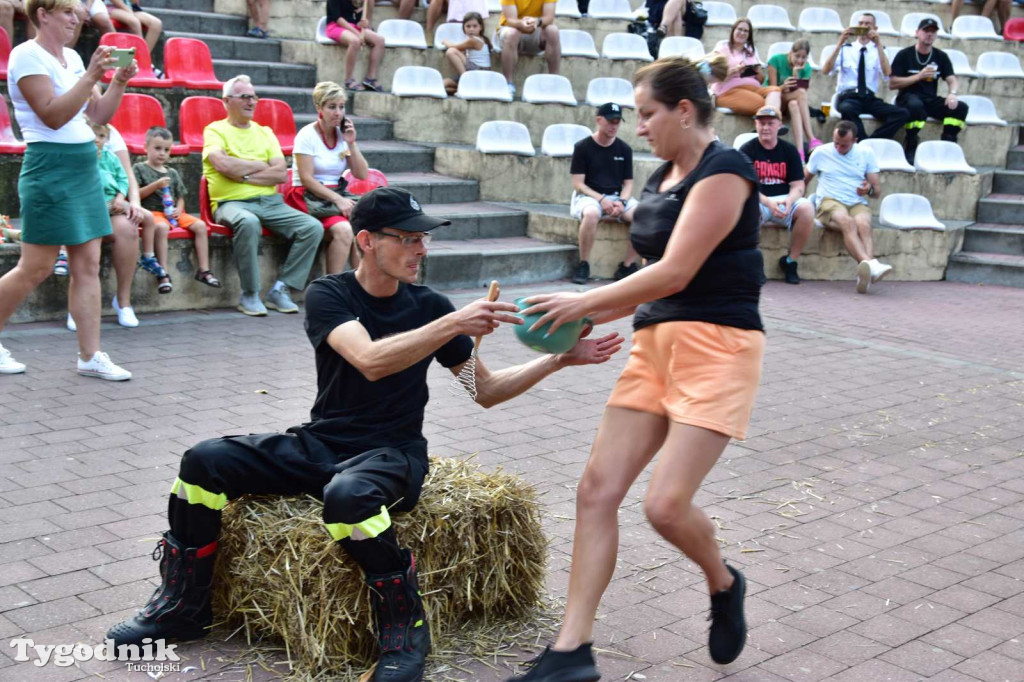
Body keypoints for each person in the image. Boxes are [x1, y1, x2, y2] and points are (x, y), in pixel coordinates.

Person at [105, 186, 624, 682]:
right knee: (203, 462)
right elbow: (371, 360)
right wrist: (452, 325)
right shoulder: (330, 294)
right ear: (367, 240)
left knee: (348, 498)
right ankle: (183, 607)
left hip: (393, 452)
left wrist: (558, 360)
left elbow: (483, 390)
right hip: (320, 444)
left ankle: (405, 631)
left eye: (424, 238)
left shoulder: (430, 306)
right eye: (407, 237)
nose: (420, 248)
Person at [506, 56, 764, 681]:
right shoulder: (659, 180)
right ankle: (572, 651)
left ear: (683, 110)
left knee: (666, 507)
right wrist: (574, 319)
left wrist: (581, 299)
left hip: (718, 346)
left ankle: (725, 582)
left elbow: (677, 270)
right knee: (596, 492)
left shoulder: (726, 170)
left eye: (648, 113)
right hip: (654, 345)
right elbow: (643, 286)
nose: (639, 126)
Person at [0, 0, 134, 380]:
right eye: (68, 12)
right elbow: (53, 116)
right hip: (49, 165)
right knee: (36, 267)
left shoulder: (73, 58)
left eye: (78, 12)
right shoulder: (26, 55)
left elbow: (97, 117)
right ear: (43, 14)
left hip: (82, 166)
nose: (77, 18)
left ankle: (90, 356)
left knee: (87, 265)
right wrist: (92, 76)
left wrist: (118, 83)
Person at [203, 75, 324, 316]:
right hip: (230, 203)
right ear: (227, 101)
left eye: (254, 97)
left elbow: (280, 173)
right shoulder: (215, 130)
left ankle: (281, 289)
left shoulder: (265, 132)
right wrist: (260, 164)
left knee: (313, 227)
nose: (251, 102)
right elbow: (221, 164)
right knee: (248, 222)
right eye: (245, 97)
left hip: (270, 202)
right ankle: (249, 294)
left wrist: (244, 174)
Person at [285, 81, 368, 274]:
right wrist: (338, 200)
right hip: (307, 196)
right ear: (319, 108)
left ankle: (363, 287)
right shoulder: (306, 135)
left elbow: (361, 174)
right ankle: (333, 287)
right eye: (331, 107)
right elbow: (306, 179)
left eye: (341, 107)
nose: (338, 113)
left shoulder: (342, 135)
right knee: (345, 230)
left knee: (364, 226)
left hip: (334, 194)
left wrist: (352, 144)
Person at [805, 121, 891, 294]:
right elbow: (804, 179)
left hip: (856, 201)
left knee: (864, 225)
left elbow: (877, 191)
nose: (838, 148)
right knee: (847, 222)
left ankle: (864, 273)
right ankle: (871, 265)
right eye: (836, 143)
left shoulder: (866, 153)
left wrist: (869, 189)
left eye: (844, 145)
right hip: (829, 201)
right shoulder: (821, 152)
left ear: (855, 141)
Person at [134, 126, 220, 288]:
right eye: (157, 148)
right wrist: (155, 185)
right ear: (146, 148)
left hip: (172, 213)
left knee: (201, 226)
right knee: (161, 228)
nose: (162, 153)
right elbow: (135, 195)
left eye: (166, 150)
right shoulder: (139, 168)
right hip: (152, 213)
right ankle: (163, 273)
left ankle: (204, 270)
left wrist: (179, 209)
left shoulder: (172, 172)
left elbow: (180, 197)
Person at [740, 106, 814, 285]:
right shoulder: (747, 150)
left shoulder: (789, 150)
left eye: (770, 123)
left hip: (784, 200)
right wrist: (767, 202)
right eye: (761, 123)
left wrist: (789, 201)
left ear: (779, 125)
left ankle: (790, 261)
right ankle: (755, 264)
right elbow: (745, 186)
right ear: (756, 125)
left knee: (807, 208)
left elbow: (798, 185)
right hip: (758, 199)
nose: (765, 128)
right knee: (749, 209)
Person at [569, 102, 640, 285]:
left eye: (617, 121)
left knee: (643, 216)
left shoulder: (624, 149)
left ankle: (627, 265)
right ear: (599, 120)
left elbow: (628, 184)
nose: (614, 125)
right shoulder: (583, 147)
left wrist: (622, 203)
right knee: (591, 213)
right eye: (610, 121)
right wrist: (600, 199)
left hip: (617, 196)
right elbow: (578, 184)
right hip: (589, 196)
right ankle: (583, 263)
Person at [889, 18, 969, 164]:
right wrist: (919, 76)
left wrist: (953, 93)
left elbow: (952, 79)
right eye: (926, 31)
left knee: (960, 107)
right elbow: (893, 83)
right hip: (907, 98)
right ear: (917, 33)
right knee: (915, 105)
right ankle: (911, 141)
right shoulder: (904, 54)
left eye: (933, 32)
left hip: (929, 99)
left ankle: (948, 143)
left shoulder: (940, 56)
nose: (929, 34)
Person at [823, 13, 908, 142]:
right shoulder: (845, 49)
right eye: (860, 23)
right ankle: (863, 141)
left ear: (875, 28)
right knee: (847, 108)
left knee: (902, 114)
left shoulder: (879, 50)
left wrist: (878, 44)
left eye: (867, 24)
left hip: (869, 97)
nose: (863, 26)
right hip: (849, 96)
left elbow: (887, 73)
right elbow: (826, 70)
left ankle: (872, 141)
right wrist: (840, 43)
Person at [711, 18, 782, 116]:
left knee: (775, 90)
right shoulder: (722, 49)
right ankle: (771, 122)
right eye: (739, 29)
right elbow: (712, 75)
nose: (742, 33)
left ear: (749, 35)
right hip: (728, 91)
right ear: (733, 30)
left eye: (746, 31)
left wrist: (758, 71)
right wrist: (733, 71)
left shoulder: (750, 52)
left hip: (754, 88)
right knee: (760, 103)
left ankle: (770, 121)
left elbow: (761, 80)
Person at [765, 39, 821, 161]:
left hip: (790, 100)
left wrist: (795, 75)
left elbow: (802, 96)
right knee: (799, 94)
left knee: (794, 104)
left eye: (804, 57)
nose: (800, 60)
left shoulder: (806, 68)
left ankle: (800, 152)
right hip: (773, 99)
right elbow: (772, 89)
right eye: (797, 56)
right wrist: (783, 87)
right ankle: (811, 138)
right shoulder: (776, 60)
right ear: (790, 52)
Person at [498, 0, 560, 98]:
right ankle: (508, 83)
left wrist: (537, 21)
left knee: (553, 30)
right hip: (512, 28)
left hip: (536, 28)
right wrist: (522, 24)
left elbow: (549, 17)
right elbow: (511, 20)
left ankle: (555, 81)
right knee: (512, 33)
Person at [325, 0, 385, 92]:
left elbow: (355, 20)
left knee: (380, 40)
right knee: (355, 41)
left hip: (352, 27)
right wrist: (356, 33)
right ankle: (349, 80)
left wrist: (362, 24)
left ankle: (370, 78)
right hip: (336, 26)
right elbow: (337, 18)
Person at [441, 11, 491, 96]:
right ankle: (467, 86)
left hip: (479, 71)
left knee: (451, 51)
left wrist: (445, 41)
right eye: (468, 26)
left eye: (475, 26)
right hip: (474, 71)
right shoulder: (476, 39)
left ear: (480, 27)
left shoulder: (473, 40)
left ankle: (466, 82)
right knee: (443, 84)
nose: (471, 29)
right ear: (464, 28)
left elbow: (453, 47)